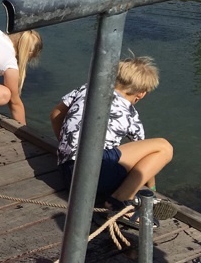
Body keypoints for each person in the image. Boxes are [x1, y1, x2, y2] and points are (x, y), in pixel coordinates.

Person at [50, 56, 174, 224]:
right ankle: (119, 202)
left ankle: (118, 195)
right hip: (95, 176)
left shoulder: (88, 88)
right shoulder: (130, 114)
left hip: (68, 174)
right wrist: (151, 189)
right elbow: (147, 156)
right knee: (163, 147)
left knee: (111, 154)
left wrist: (65, 146)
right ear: (141, 94)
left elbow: (55, 115)